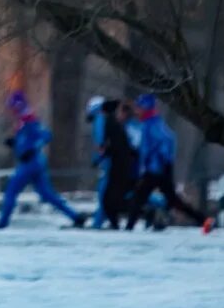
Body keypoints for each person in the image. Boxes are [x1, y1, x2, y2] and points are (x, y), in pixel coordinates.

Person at [0, 91, 88, 228]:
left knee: (11, 190)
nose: (11, 110)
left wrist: (32, 149)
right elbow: (26, 140)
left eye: (12, 106)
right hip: (36, 163)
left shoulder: (28, 119)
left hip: (30, 164)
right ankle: (75, 216)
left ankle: (2, 223)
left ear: (18, 105)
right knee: (47, 195)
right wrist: (14, 142)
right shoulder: (23, 120)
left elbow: (45, 135)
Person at [122, 94, 213, 231]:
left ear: (146, 108)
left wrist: (160, 161)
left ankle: (129, 227)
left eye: (139, 107)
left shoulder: (152, 124)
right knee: (172, 200)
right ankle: (203, 220)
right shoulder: (149, 123)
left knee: (139, 198)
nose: (137, 110)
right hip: (156, 168)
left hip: (156, 169)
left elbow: (166, 140)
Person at [98, 98, 139, 229]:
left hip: (119, 168)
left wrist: (105, 152)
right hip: (123, 166)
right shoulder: (117, 125)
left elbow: (115, 146)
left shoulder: (110, 124)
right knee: (114, 198)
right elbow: (123, 146)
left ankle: (117, 222)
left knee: (108, 199)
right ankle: (116, 221)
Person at [86, 95, 109, 228]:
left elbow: (100, 142)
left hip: (107, 164)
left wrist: (98, 159)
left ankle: (98, 222)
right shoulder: (105, 119)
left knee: (103, 192)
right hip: (108, 162)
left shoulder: (99, 120)